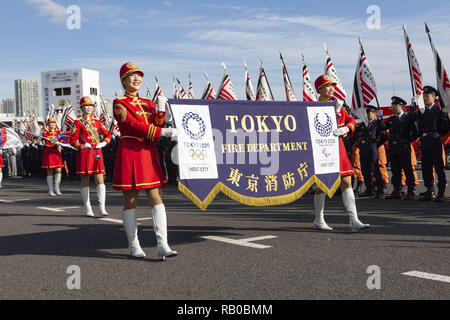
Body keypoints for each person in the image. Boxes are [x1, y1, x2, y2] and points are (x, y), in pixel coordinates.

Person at [113, 62, 178, 259]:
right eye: (131, 76)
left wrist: (160, 111)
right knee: (130, 198)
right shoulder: (119, 103)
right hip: (131, 151)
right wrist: (162, 131)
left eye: (139, 75)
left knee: (156, 196)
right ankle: (133, 244)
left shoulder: (147, 103)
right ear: (124, 81)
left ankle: (162, 244)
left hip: (148, 151)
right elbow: (132, 125)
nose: (136, 79)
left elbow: (155, 123)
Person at [312, 75, 369, 232]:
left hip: (339, 148)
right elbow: (324, 127)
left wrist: (346, 128)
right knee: (323, 185)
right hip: (324, 149)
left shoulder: (337, 104)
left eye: (332, 86)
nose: (331, 89)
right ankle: (319, 219)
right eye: (327, 86)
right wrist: (336, 112)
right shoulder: (315, 106)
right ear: (319, 89)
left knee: (347, 182)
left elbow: (350, 120)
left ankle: (354, 219)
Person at [71, 96, 113, 216]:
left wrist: (104, 142)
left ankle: (102, 207)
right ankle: (88, 208)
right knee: (85, 180)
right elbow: (73, 140)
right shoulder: (78, 122)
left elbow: (108, 133)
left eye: (90, 106)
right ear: (82, 108)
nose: (88, 108)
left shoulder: (97, 121)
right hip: (85, 153)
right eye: (86, 106)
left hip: (97, 152)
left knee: (100, 179)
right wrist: (82, 146)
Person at [409, 86, 450, 202]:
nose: (425, 98)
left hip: (435, 141)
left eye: (427, 96)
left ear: (434, 97)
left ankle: (441, 192)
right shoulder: (422, 111)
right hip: (425, 142)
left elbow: (446, 125)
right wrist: (412, 106)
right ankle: (429, 190)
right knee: (426, 167)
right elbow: (412, 118)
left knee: (439, 167)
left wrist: (437, 135)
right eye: (424, 96)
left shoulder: (439, 110)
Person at [385, 97, 417, 200]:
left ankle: (411, 190)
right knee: (395, 170)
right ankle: (396, 190)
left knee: (407, 170)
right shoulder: (391, 119)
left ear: (401, 106)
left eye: (395, 105)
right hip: (394, 148)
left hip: (404, 147)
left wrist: (407, 140)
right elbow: (382, 128)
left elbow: (415, 131)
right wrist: (380, 119)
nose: (393, 107)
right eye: (392, 105)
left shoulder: (407, 118)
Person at [354, 105, 387, 199]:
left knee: (375, 170)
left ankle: (380, 190)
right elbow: (357, 136)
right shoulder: (363, 124)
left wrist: (376, 144)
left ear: (374, 114)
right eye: (367, 113)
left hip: (372, 149)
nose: (368, 115)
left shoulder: (377, 124)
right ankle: (369, 189)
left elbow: (384, 136)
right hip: (363, 149)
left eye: (370, 113)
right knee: (365, 170)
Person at [41, 118, 64, 196]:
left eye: (53, 123)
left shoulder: (59, 132)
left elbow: (62, 139)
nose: (52, 124)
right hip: (49, 152)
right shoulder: (46, 132)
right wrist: (52, 141)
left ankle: (57, 188)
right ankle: (50, 189)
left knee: (59, 170)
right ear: (48, 125)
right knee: (50, 171)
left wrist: (59, 141)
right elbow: (46, 141)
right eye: (50, 123)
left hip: (56, 151)